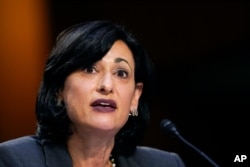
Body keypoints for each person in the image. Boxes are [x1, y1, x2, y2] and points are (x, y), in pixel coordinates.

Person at [0, 20, 186, 167]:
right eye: (90, 69)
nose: (106, 85)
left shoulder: (166, 164)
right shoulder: (15, 160)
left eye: (121, 73)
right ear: (59, 89)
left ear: (135, 97)